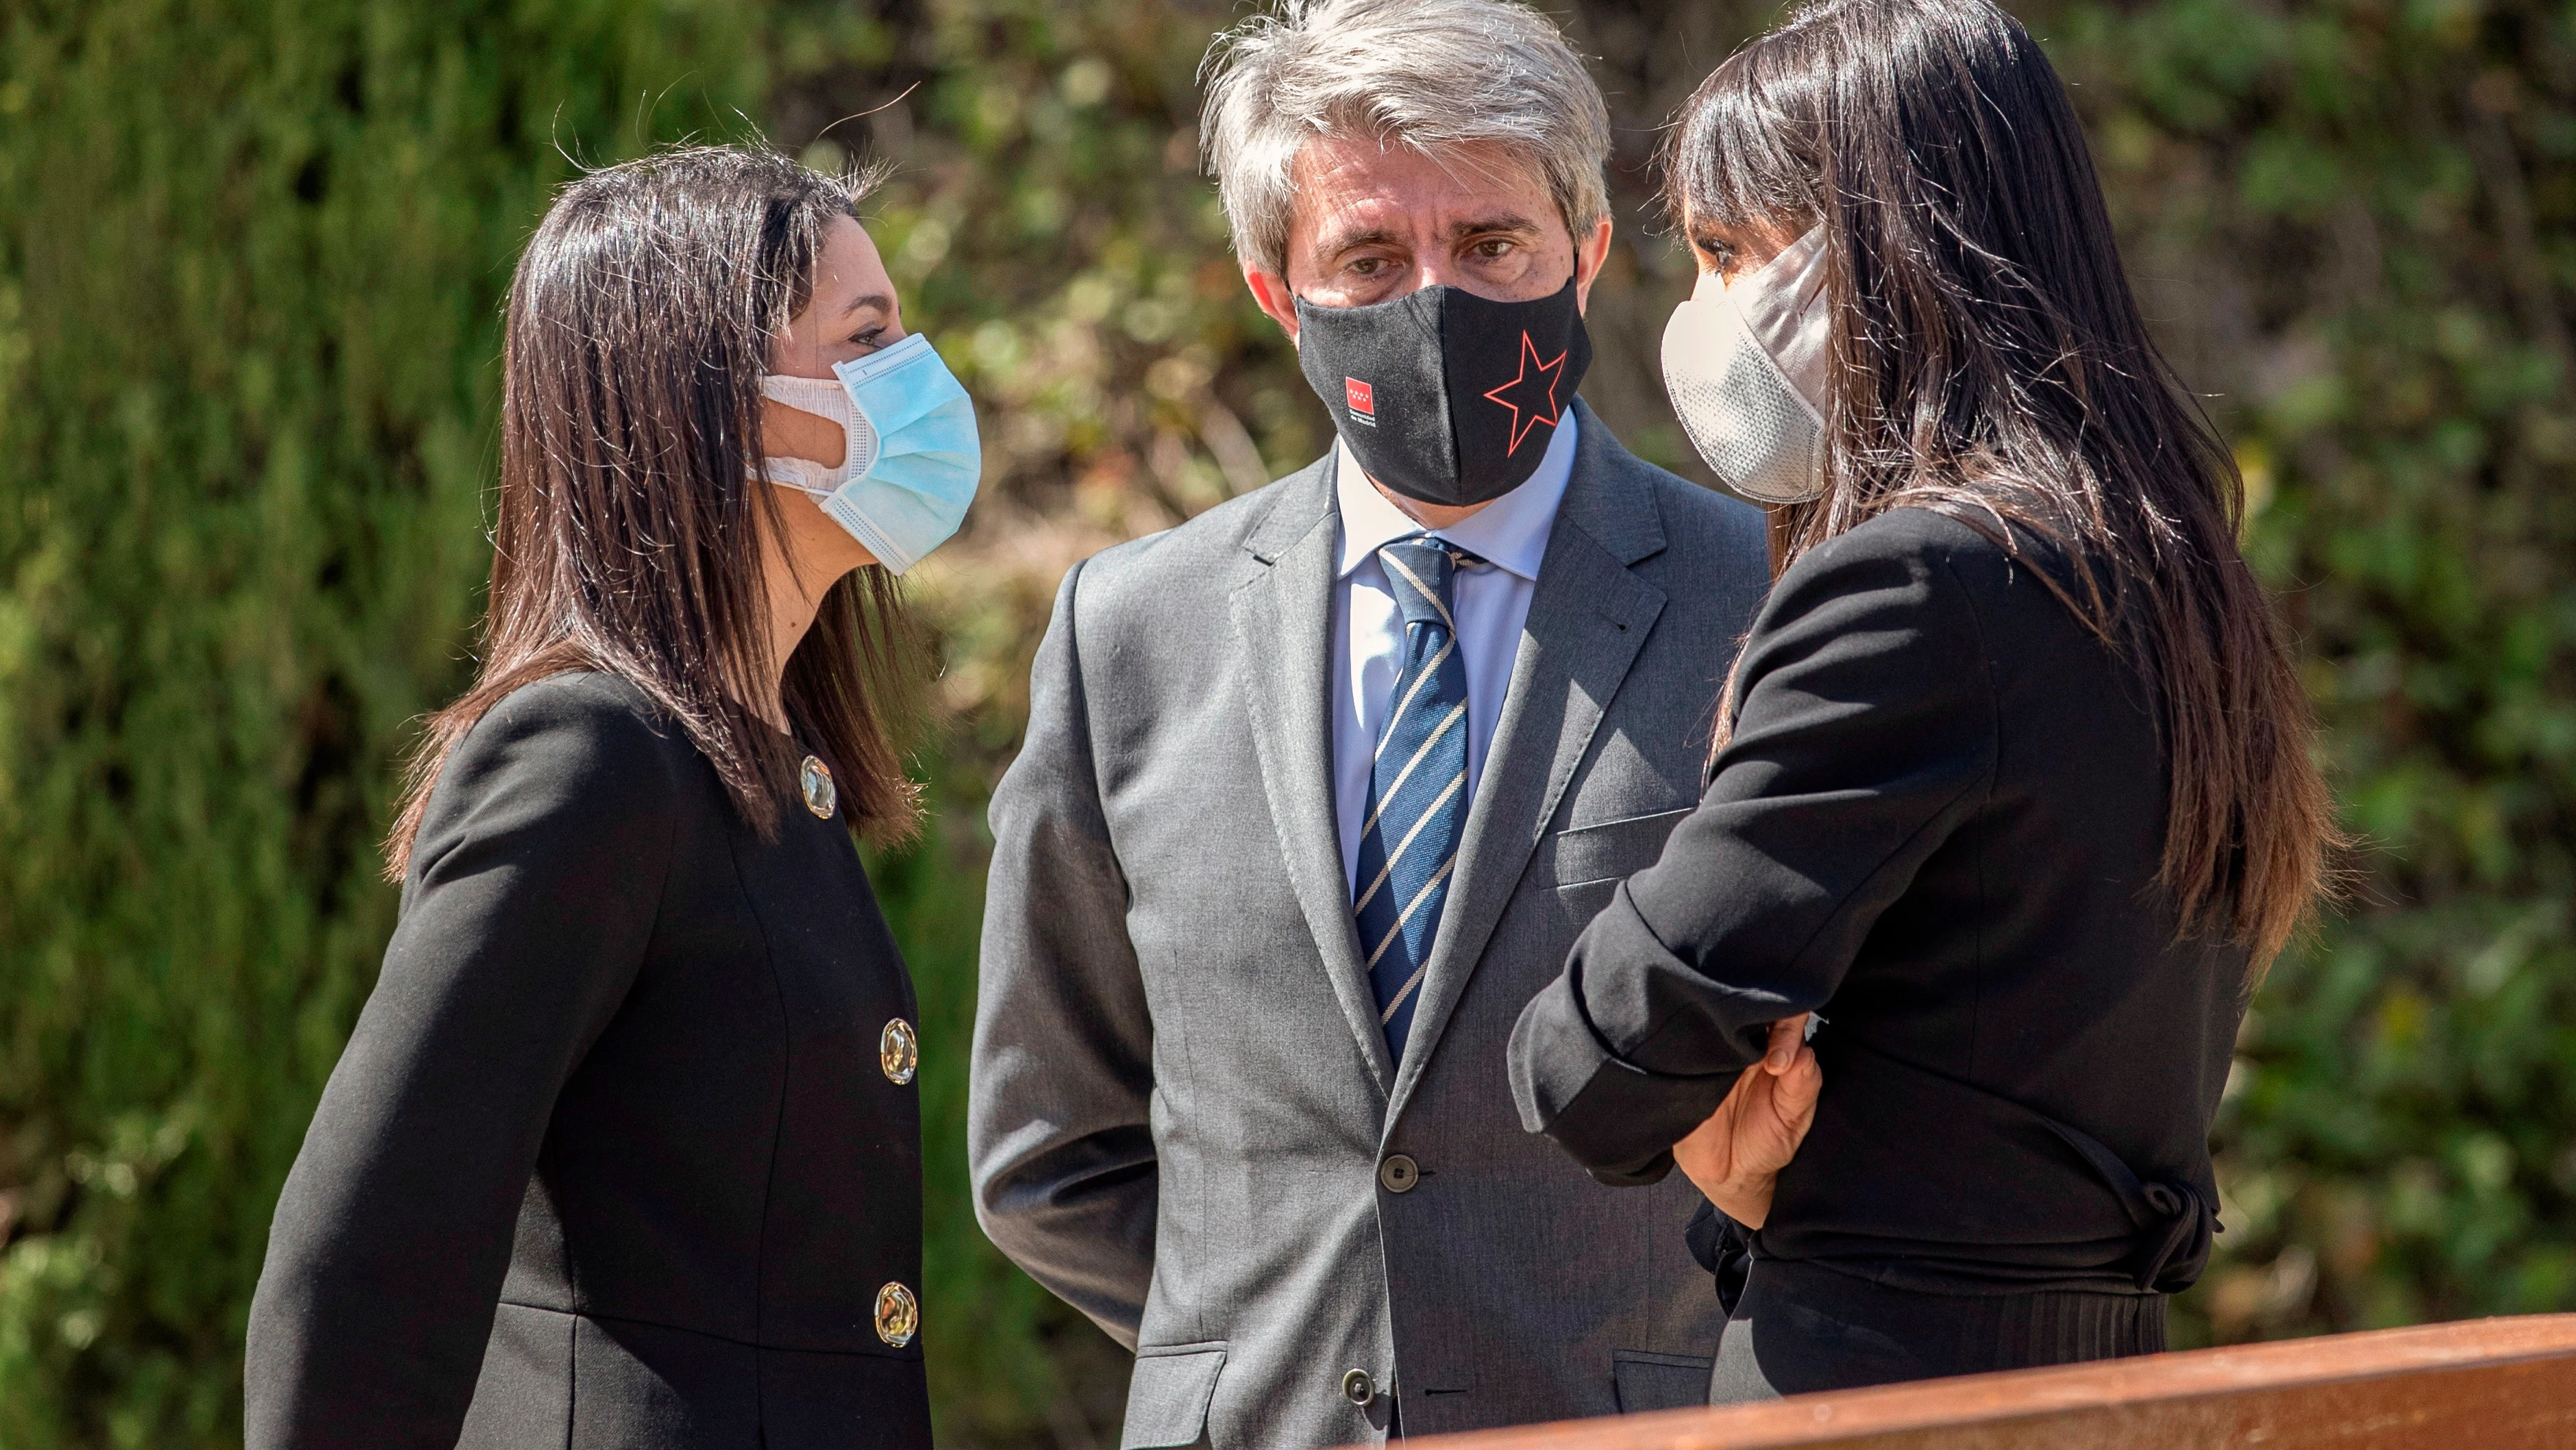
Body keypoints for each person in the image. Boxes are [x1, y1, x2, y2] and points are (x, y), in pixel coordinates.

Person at [967, 1, 1781, 1445]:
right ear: (1277, 293)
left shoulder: (1765, 595)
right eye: (1367, 256)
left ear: (1586, 251)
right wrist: (1252, 1349)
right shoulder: (1130, 633)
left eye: (1490, 245)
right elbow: (1049, 1147)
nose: (1435, 298)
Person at [1508, 0, 2340, 1403]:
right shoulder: (2174, 580)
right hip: (2104, 1373)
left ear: (1877, 254)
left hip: (1877, 1383)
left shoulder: (1915, 586)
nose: (1701, 311)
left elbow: (1598, 1056)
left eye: (1728, 253)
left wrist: (1684, 1104)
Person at [243, 145, 980, 1448]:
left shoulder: (768, 761)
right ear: (712, 402)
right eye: (865, 340)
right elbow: (368, 1259)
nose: (917, 383)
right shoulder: (587, 758)